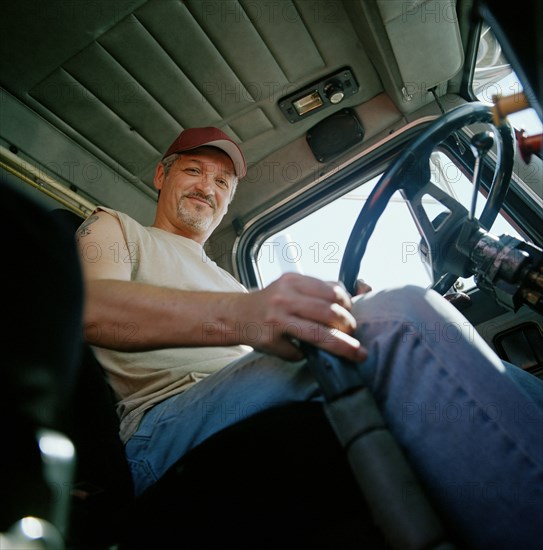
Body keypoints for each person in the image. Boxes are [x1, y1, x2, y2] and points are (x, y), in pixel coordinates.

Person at [76, 126, 543, 548]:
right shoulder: (116, 228)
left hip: (238, 394)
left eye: (222, 183)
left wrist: (335, 312)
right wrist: (246, 314)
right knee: (398, 319)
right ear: (161, 175)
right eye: (194, 171)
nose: (207, 187)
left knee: (425, 326)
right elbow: (89, 308)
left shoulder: (230, 280)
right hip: (161, 429)